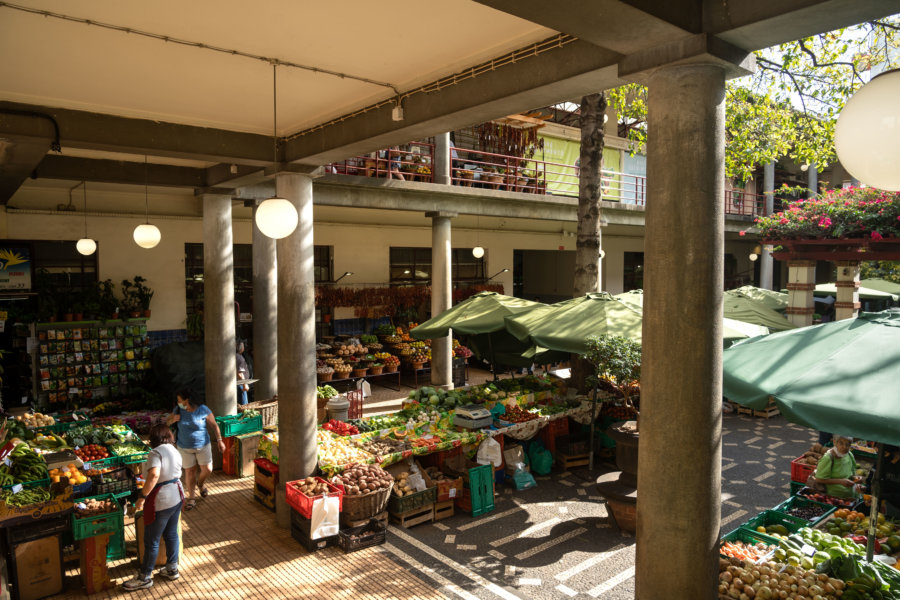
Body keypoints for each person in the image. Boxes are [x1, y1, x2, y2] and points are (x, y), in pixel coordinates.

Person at [123, 424, 184, 591]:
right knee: (171, 534)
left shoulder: (155, 452)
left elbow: (154, 475)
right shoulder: (174, 450)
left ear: (154, 439)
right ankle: (172, 568)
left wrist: (142, 497)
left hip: (162, 499)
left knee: (151, 540)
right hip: (177, 495)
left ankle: (145, 577)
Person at [166, 388, 226, 511]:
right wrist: (173, 420)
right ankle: (191, 498)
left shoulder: (203, 409)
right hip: (184, 446)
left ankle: (201, 483)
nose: (178, 402)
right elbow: (167, 422)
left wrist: (220, 440)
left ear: (187, 400)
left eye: (179, 400)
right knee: (190, 472)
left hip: (203, 445)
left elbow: (214, 425)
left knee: (208, 469)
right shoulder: (178, 410)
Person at [813, 434, 863, 499]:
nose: (844, 447)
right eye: (841, 443)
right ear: (834, 442)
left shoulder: (849, 455)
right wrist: (840, 481)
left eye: (847, 444)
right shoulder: (828, 458)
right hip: (833, 498)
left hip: (850, 497)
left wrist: (856, 479)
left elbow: (851, 475)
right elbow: (819, 479)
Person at [236, 341, 250, 406]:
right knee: (244, 407)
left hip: (238, 384)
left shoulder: (236, 356)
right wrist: (245, 384)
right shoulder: (239, 358)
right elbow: (240, 373)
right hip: (240, 384)